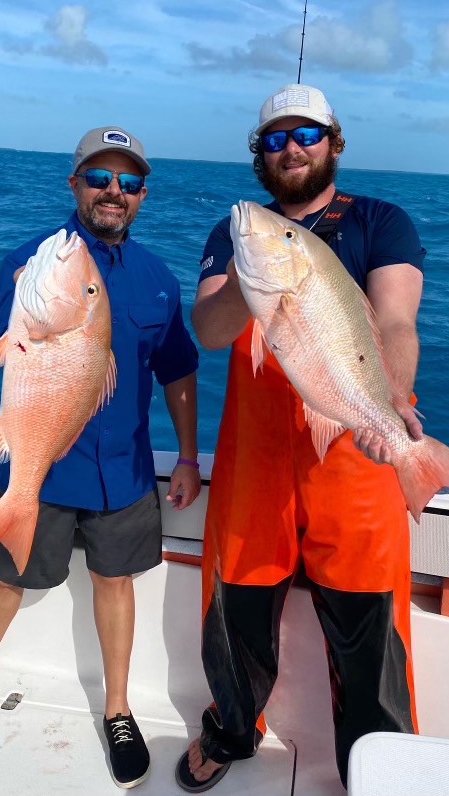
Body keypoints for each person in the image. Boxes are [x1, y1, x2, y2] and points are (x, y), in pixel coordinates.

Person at [0, 126, 202, 790]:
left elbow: (178, 371)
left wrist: (186, 454)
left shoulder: (159, 277)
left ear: (142, 196)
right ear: (73, 184)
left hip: (125, 469)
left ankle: (119, 709)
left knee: (114, 583)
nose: (113, 192)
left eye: (128, 183)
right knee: (9, 577)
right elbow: (16, 355)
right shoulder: (31, 261)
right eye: (99, 178)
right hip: (40, 465)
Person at [176, 84, 426, 792]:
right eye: (275, 138)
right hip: (255, 459)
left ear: (334, 142)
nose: (291, 148)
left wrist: (394, 404)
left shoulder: (382, 221)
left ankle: (380, 766)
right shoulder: (236, 234)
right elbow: (211, 331)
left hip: (355, 450)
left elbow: (397, 322)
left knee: (371, 626)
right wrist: (253, 280)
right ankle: (230, 728)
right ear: (260, 153)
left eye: (306, 135)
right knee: (235, 608)